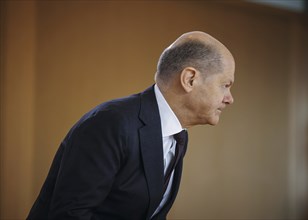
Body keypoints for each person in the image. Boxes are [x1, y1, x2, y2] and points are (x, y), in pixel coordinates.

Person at [27, 31, 235, 220]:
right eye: (225, 85)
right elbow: (70, 215)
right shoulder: (111, 123)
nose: (229, 99)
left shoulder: (179, 135)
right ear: (190, 79)